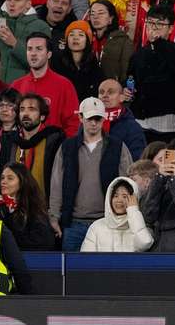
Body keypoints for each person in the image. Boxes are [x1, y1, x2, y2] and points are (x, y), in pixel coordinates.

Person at [50, 97, 133, 251]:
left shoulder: (118, 147)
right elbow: (57, 184)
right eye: (89, 118)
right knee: (72, 272)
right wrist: (54, 216)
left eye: (98, 118)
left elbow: (128, 184)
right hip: (73, 223)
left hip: (108, 223)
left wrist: (128, 217)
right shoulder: (67, 147)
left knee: (104, 272)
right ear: (80, 118)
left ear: (104, 119)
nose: (94, 123)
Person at [128, 4, 175, 143]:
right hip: (141, 123)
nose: (154, 27)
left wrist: (160, 43)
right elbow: (130, 79)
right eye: (150, 22)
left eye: (160, 24)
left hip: (168, 124)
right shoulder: (138, 54)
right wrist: (127, 89)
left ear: (171, 29)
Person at [10, 32, 80, 137]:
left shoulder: (64, 85)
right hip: (21, 149)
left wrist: (61, 147)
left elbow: (73, 124)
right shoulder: (16, 85)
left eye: (39, 49)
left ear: (49, 54)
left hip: (53, 149)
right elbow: (8, 121)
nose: (33, 53)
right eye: (29, 49)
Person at [80, 176, 154, 252]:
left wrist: (133, 211)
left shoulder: (140, 225)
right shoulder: (96, 226)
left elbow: (145, 243)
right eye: (115, 196)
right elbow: (86, 259)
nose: (119, 200)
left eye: (125, 196)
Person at [0, 162, 54, 251]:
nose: (4, 182)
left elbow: (43, 242)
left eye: (10, 178)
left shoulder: (33, 209)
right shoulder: (2, 207)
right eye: (2, 178)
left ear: (22, 181)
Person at [50, 21, 104, 102]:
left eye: (81, 35)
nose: (75, 38)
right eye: (71, 35)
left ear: (87, 40)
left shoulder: (94, 66)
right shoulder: (57, 64)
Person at [87, 0, 132, 84]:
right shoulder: (86, 40)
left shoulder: (123, 41)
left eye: (101, 13)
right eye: (92, 14)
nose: (95, 17)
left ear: (111, 18)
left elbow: (127, 72)